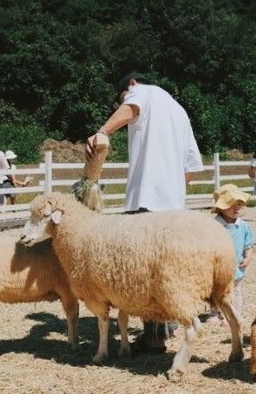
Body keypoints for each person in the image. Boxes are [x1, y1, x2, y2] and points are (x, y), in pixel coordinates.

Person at [86, 71, 204, 354]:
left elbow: (131, 108)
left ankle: (154, 336)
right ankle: (168, 324)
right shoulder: (179, 109)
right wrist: (173, 189)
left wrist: (103, 131)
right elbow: (192, 168)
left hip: (147, 196)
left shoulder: (144, 92)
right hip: (174, 204)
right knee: (167, 267)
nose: (124, 101)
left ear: (131, 84)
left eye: (122, 97)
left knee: (145, 270)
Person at [207, 184, 256, 326]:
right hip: (218, 267)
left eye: (239, 204)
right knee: (216, 291)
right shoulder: (214, 226)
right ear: (221, 207)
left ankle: (235, 315)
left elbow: (249, 244)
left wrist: (248, 257)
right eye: (231, 204)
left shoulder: (244, 226)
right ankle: (215, 314)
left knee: (236, 292)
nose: (237, 208)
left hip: (237, 267)